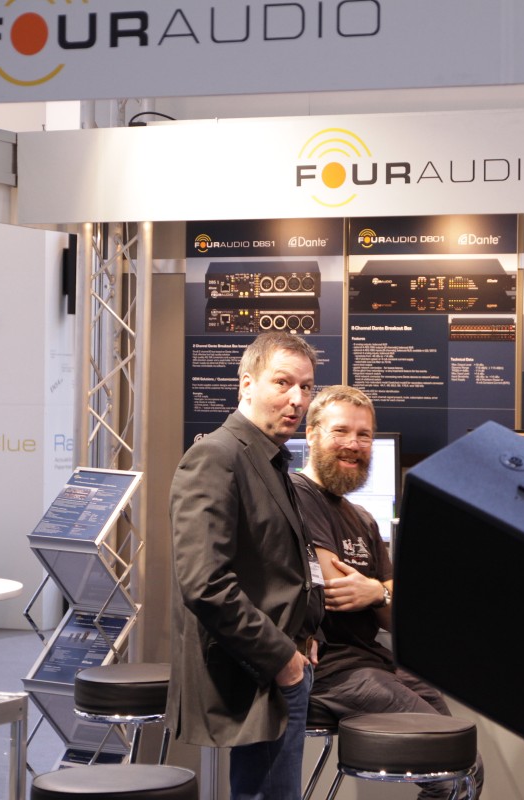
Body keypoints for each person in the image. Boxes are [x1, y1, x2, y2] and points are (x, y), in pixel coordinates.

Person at [290, 385, 484, 799]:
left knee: (463, 764)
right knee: (450, 770)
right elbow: (336, 589)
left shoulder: (361, 517)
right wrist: (383, 591)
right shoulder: (298, 494)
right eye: (341, 431)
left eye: (364, 435)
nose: (354, 444)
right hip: (333, 671)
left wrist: (378, 592)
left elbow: (397, 617)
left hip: (375, 662)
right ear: (311, 434)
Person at [167, 331, 324, 800]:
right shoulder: (216, 456)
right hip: (258, 670)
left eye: (306, 387)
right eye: (283, 382)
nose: (297, 399)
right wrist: (283, 660)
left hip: (280, 667)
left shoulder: (268, 457)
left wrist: (307, 633)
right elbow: (205, 583)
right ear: (247, 385)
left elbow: (281, 564)